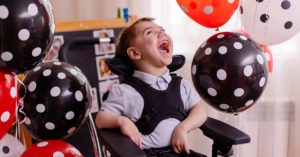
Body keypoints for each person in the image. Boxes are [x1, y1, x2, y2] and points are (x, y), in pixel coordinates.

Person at [95, 17, 207, 157]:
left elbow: (199, 111)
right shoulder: (125, 91)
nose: (161, 33)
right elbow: (100, 119)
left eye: (162, 30)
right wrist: (121, 121)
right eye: (150, 32)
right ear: (135, 53)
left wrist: (183, 128)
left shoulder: (181, 85)